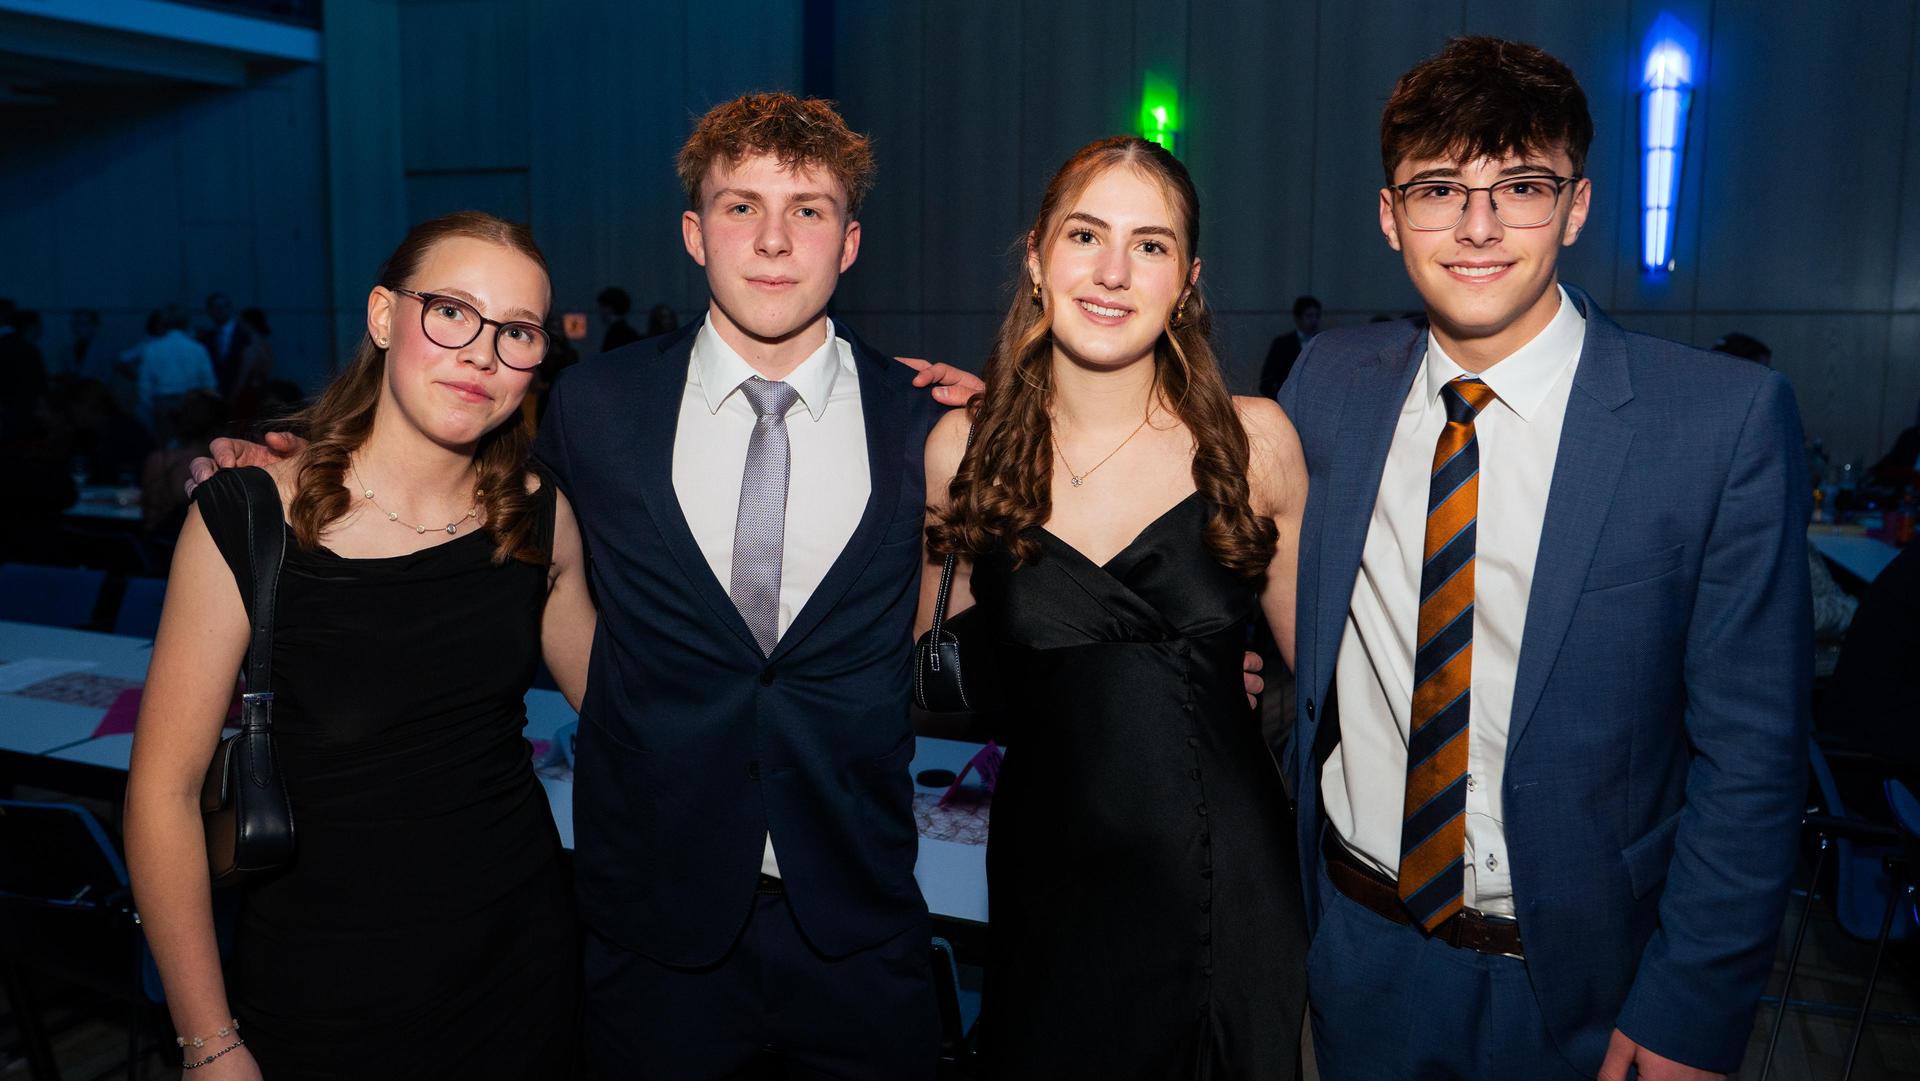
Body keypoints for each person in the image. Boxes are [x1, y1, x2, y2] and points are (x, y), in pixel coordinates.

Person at [1279, 37, 1809, 1081]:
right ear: (1390, 218)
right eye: (1439, 188)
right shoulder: (1327, 384)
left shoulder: (1717, 423)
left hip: (1589, 986)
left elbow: (1752, 761)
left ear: (1575, 206)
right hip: (1360, 947)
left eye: (1519, 185)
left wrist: (1690, 1007)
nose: (1477, 227)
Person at [126, 211, 597, 1080]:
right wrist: (208, 1041)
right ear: (384, 317)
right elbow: (162, 794)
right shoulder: (248, 516)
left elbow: (629, 707)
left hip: (521, 965)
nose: (481, 353)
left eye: (518, 332)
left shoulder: (535, 515)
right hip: (324, 986)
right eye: (451, 311)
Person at [920, 135, 1307, 1078]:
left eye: (1150, 244)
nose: (1111, 270)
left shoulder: (1255, 442)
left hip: (1222, 880)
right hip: (1043, 876)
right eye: (1086, 234)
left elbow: (1329, 683)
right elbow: (939, 668)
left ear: (1188, 280)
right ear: (1037, 257)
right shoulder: (960, 452)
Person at [136, 306, 218, 443]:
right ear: (186, 324)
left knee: (166, 446)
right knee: (192, 445)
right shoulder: (197, 348)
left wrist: (152, 407)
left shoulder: (152, 348)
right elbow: (209, 382)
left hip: (164, 402)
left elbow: (144, 385)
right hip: (192, 402)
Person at [1259, 294, 1321, 398]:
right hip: (1286, 404)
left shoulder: (1322, 343)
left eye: (1317, 316)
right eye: (1309, 316)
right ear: (1298, 318)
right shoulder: (1282, 344)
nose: (1314, 321)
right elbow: (1266, 382)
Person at [199, 291, 251, 394]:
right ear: (209, 311)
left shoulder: (245, 336)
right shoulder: (205, 338)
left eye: (222, 307)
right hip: (215, 395)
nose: (219, 311)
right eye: (214, 308)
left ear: (230, 308)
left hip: (241, 394)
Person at [596, 285, 641, 351]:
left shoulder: (614, 334)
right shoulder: (630, 333)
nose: (599, 311)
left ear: (609, 308)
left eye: (601, 307)